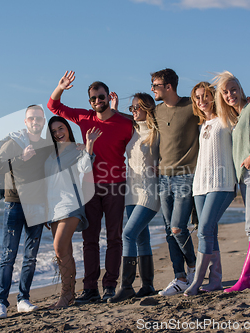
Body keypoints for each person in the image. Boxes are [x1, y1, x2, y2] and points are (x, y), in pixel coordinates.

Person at [47, 71, 134, 303]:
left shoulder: (125, 123)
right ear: (89, 102)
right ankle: (90, 288)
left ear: (108, 96)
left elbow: (143, 133)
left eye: (101, 97)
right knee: (90, 240)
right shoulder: (85, 118)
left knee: (114, 238)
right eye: (94, 98)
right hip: (89, 189)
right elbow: (53, 106)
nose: (98, 101)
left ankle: (109, 286)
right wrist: (61, 87)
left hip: (115, 185)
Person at [212, 71, 250, 293]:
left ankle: (247, 278)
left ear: (240, 89)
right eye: (225, 92)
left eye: (233, 90)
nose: (230, 95)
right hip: (246, 178)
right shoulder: (237, 119)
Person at [0, 105, 51, 319]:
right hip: (15, 203)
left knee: (31, 257)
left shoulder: (46, 145)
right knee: (9, 256)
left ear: (43, 122)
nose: (35, 122)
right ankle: (1, 303)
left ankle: (23, 299)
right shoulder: (13, 142)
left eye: (39, 119)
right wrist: (20, 158)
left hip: (37, 206)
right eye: (31, 118)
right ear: (26, 122)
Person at [183, 82, 237, 296]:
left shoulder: (227, 119)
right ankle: (215, 280)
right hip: (200, 185)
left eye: (205, 96)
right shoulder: (200, 124)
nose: (201, 101)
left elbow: (245, 134)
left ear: (214, 97)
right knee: (210, 231)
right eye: (197, 97)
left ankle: (196, 282)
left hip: (222, 184)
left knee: (204, 229)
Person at [106, 92, 160, 303]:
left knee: (127, 234)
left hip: (149, 191)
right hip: (131, 192)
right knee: (140, 238)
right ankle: (147, 285)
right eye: (132, 108)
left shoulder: (157, 132)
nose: (134, 111)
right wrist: (116, 108)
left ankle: (126, 286)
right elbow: (119, 119)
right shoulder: (133, 129)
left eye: (137, 107)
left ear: (148, 107)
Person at [150, 68, 199, 295]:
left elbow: (222, 108)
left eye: (155, 85)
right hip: (163, 177)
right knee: (169, 231)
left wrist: (248, 101)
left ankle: (193, 267)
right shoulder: (156, 111)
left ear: (168, 86)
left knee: (179, 228)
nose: (153, 89)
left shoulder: (192, 105)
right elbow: (136, 120)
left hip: (185, 175)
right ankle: (179, 278)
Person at [44, 116, 102, 308]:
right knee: (64, 251)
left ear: (67, 128)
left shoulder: (78, 149)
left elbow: (86, 167)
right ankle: (68, 295)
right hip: (54, 207)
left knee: (59, 247)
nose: (59, 133)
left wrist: (89, 145)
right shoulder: (51, 156)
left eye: (61, 128)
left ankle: (65, 294)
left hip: (71, 204)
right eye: (54, 132)